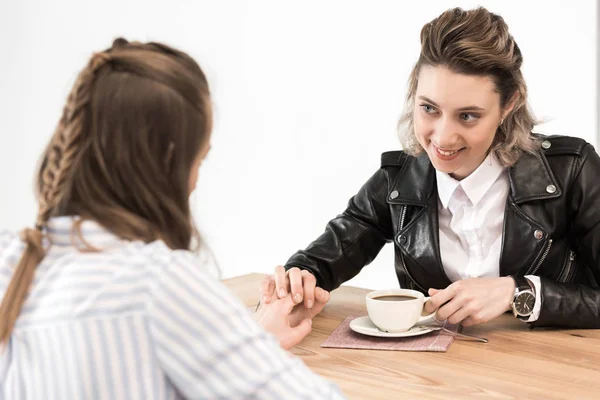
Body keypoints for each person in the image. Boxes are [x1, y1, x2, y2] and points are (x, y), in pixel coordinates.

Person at [0, 38, 343, 399]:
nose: (195, 182)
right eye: (200, 159)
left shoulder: (11, 262)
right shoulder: (156, 284)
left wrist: (252, 341)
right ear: (169, 160)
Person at [260, 7, 600, 329]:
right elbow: (324, 259)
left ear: (509, 105)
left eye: (468, 116)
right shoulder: (397, 182)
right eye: (429, 109)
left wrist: (518, 292)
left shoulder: (570, 171)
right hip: (435, 380)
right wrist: (300, 278)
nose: (442, 137)